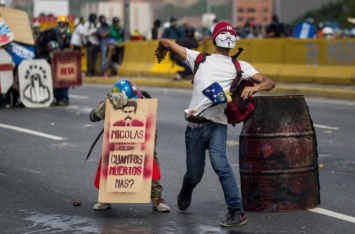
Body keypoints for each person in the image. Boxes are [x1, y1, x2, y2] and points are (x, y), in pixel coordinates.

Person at [154, 21, 275, 227]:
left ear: (214, 39)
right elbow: (165, 42)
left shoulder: (240, 66)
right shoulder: (199, 59)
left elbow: (268, 82)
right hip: (194, 127)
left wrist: (256, 88)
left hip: (217, 125)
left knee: (222, 166)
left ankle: (236, 211)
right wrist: (161, 50)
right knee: (194, 174)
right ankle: (186, 190)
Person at [89, 79, 170, 212]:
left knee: (150, 159)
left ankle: (157, 198)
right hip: (117, 139)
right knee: (108, 160)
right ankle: (105, 197)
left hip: (140, 135)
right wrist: (106, 105)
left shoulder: (143, 99)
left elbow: (151, 125)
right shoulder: (109, 100)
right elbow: (92, 116)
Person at [36, 15, 72, 106]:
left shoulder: (67, 34)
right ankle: (53, 97)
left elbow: (67, 47)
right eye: (61, 24)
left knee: (63, 77)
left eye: (65, 24)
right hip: (47, 57)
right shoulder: (52, 33)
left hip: (60, 58)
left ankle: (62, 97)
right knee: (50, 78)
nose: (63, 26)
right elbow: (47, 47)